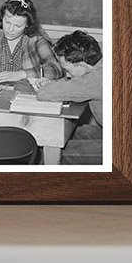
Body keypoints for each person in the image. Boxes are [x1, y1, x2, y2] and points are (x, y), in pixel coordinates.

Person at [34, 30, 103, 165]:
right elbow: (76, 84)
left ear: (82, 65)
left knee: (55, 153)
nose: (68, 75)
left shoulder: (95, 79)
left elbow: (43, 93)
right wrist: (59, 84)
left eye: (68, 70)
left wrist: (52, 86)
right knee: (77, 133)